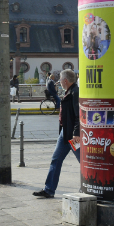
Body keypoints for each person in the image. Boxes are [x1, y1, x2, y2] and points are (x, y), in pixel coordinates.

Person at [34, 69, 81, 199]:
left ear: (65, 80)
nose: (59, 82)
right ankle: (49, 190)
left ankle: (87, 186)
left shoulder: (75, 92)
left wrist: (76, 133)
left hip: (72, 135)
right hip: (65, 134)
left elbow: (79, 115)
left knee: (84, 161)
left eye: (60, 80)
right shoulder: (69, 91)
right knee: (56, 159)